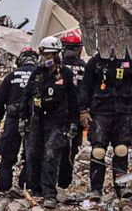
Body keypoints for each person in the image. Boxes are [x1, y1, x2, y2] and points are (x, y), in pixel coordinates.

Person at [21, 36, 79, 209]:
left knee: (50, 155)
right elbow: (26, 97)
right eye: (45, 54)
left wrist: (74, 122)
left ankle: (49, 194)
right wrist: (23, 119)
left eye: (51, 55)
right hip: (38, 119)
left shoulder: (66, 74)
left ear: (57, 55)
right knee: (32, 154)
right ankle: (36, 189)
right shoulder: (37, 73)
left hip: (58, 121)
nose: (48, 58)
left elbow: (73, 100)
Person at [79, 49, 132, 196]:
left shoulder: (131, 61)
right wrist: (83, 109)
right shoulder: (94, 62)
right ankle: (96, 189)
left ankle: (121, 185)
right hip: (100, 111)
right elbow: (85, 87)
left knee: (121, 149)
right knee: (98, 151)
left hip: (124, 111)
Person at [0, 47, 37, 192]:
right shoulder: (41, 75)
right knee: (32, 154)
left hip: (13, 119)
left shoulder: (12, 76)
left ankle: (4, 187)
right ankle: (26, 185)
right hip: (35, 121)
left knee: (7, 155)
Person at [57, 29, 87, 188]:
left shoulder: (55, 67)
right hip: (76, 115)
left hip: (56, 114)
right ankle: (64, 181)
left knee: (53, 146)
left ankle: (52, 180)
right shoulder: (85, 68)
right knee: (72, 148)